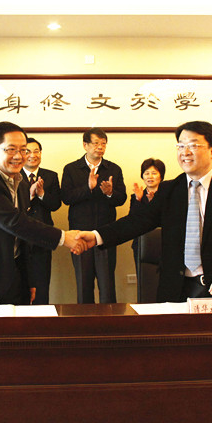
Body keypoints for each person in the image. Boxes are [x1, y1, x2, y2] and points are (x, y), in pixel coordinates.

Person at [79, 121, 212, 302]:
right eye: (180, 146)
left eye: (193, 145)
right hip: (177, 288)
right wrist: (97, 236)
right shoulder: (170, 190)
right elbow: (137, 221)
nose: (185, 152)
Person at [0, 122, 85, 305]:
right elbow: (14, 222)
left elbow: (21, 239)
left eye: (23, 150)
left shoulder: (20, 182)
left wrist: (29, 280)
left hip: (14, 277)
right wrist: (63, 238)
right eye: (11, 149)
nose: (19, 156)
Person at [61, 128, 126, 303]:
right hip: (79, 235)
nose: (100, 147)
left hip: (106, 233)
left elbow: (121, 199)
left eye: (103, 144)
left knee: (107, 285)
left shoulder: (113, 169)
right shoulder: (71, 169)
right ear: (85, 145)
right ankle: (85, 318)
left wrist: (110, 193)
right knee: (84, 284)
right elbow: (66, 198)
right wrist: (88, 188)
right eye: (96, 143)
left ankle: (109, 318)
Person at [22, 137, 62, 304]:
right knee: (21, 280)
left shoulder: (50, 176)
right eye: (28, 151)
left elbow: (56, 204)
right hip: (20, 236)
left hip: (43, 236)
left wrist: (42, 194)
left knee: (42, 281)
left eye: (36, 151)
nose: (33, 155)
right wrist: (30, 196)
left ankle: (42, 315)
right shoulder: (14, 175)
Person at [129, 158, 165, 281]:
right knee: (144, 280)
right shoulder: (136, 197)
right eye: (146, 173)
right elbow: (132, 222)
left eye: (154, 173)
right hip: (141, 245)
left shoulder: (168, 195)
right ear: (142, 176)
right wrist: (139, 201)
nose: (150, 176)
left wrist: (154, 203)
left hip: (164, 244)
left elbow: (167, 220)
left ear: (161, 176)